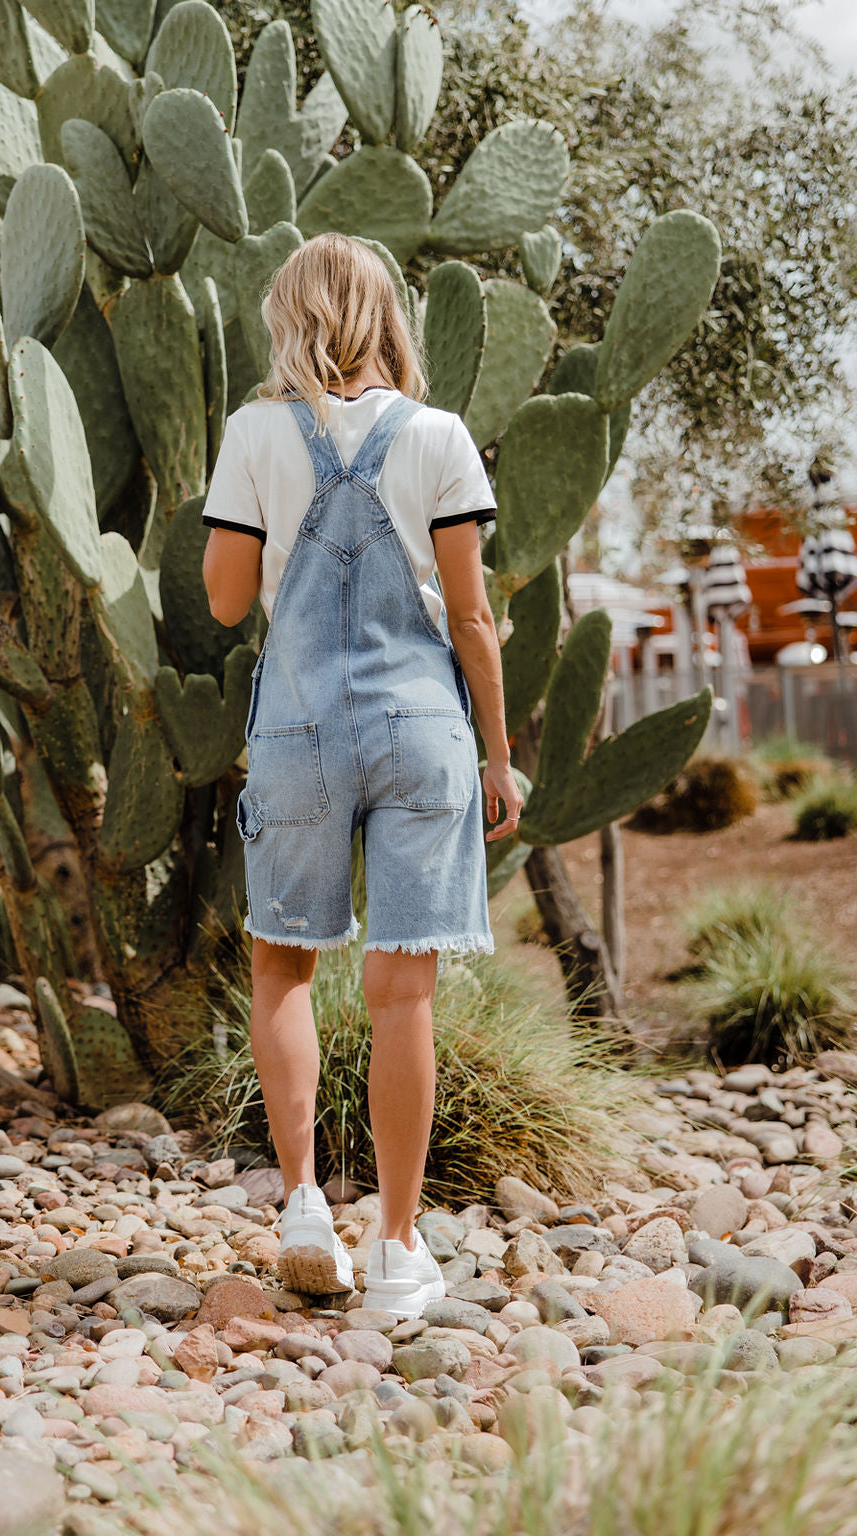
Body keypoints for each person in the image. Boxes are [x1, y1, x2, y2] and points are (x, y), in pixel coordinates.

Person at [201, 232, 523, 1320]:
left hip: (297, 729)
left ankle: (302, 1207)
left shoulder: (254, 432)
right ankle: (394, 1248)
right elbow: (471, 618)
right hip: (421, 727)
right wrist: (498, 753)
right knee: (402, 992)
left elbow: (226, 602)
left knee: (283, 965)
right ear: (389, 318)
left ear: (287, 317)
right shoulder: (437, 435)